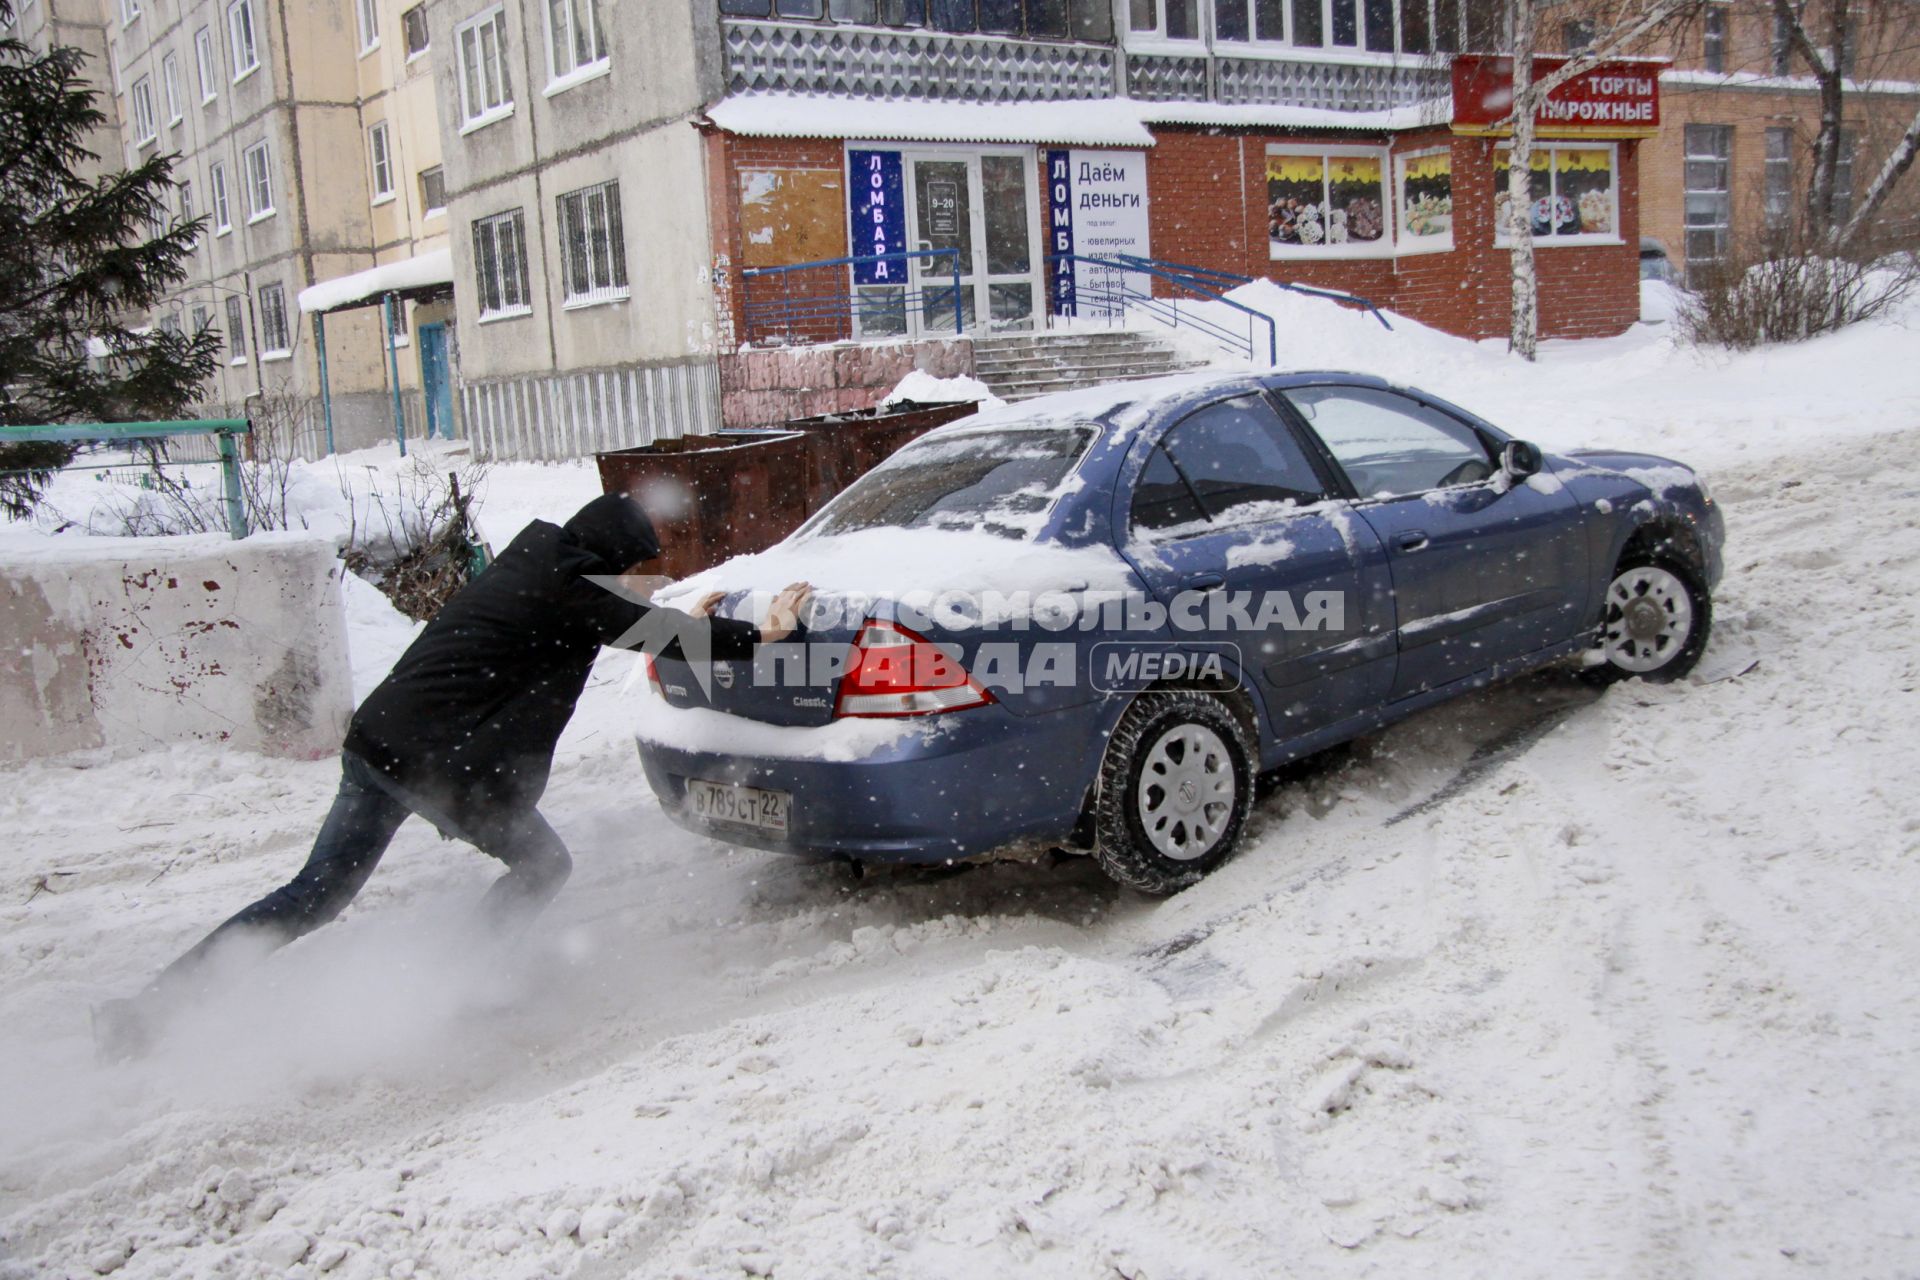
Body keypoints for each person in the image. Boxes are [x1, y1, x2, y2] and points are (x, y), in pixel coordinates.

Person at [93, 492, 810, 1061]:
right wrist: (763, 634)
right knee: (542, 864)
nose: (631, 587)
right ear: (607, 563)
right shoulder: (571, 587)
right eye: (629, 574)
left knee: (312, 894)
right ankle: (467, 983)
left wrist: (669, 614)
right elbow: (635, 628)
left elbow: (616, 618)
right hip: (441, 766)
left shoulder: (535, 563)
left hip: (378, 745)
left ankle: (147, 1013)